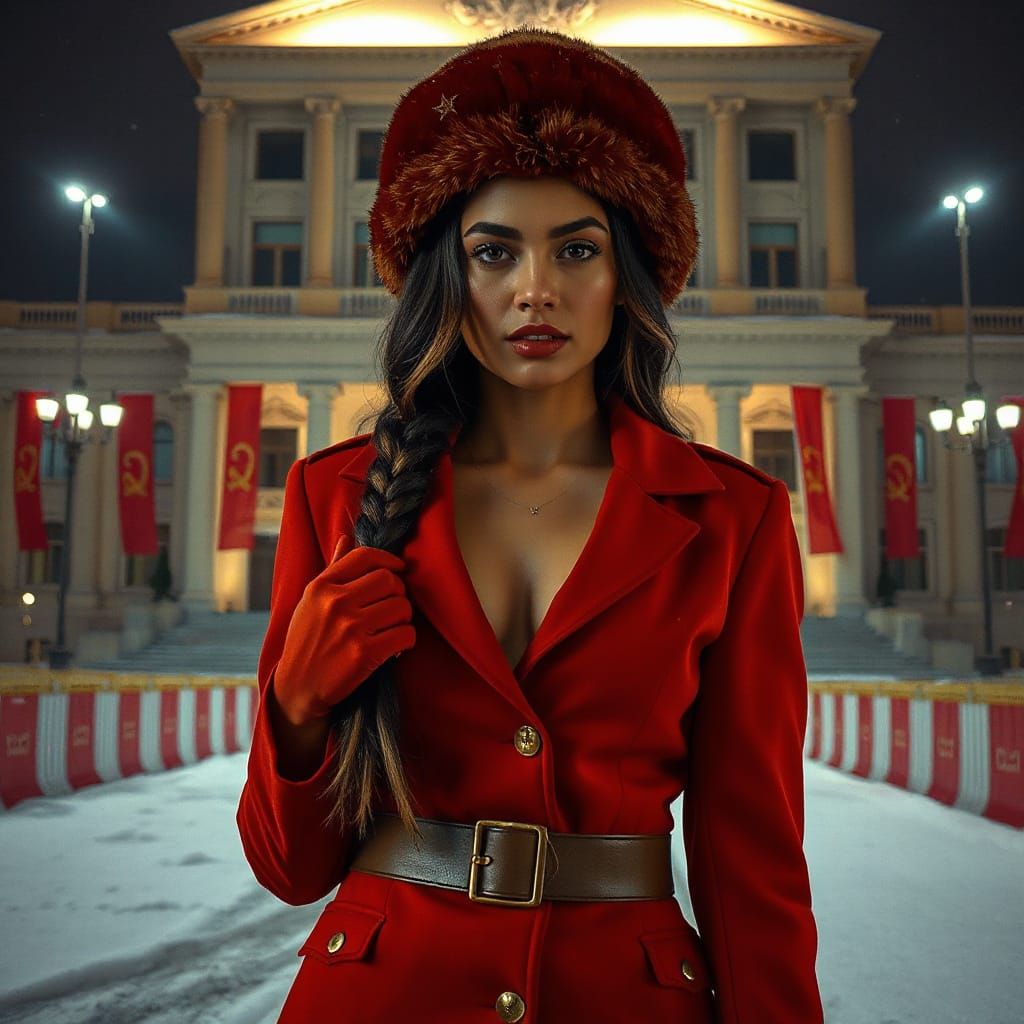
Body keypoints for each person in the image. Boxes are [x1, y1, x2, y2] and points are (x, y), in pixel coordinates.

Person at [237, 25, 824, 1024]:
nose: (534, 290)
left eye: (577, 249)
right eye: (493, 250)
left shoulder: (734, 517)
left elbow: (751, 854)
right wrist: (292, 710)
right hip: (378, 994)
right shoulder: (333, 496)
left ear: (626, 274)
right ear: (445, 276)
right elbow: (292, 869)